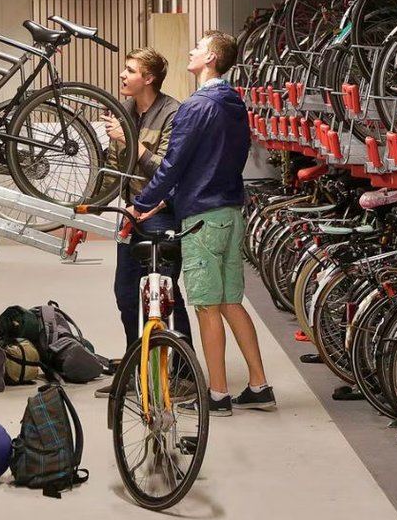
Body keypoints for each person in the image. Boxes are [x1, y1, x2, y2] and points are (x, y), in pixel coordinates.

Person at [126, 30, 272, 417]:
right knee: (230, 302)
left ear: (210, 58)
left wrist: (143, 202)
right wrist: (165, 202)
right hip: (230, 212)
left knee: (206, 306)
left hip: (203, 220)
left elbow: (175, 164)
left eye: (197, 47)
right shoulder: (234, 102)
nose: (190, 51)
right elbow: (210, 162)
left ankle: (218, 394)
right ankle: (260, 386)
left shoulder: (196, 106)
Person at [94, 48, 192, 397]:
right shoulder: (124, 112)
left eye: (130, 70)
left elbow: (165, 170)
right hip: (131, 213)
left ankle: (183, 374)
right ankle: (138, 370)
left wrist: (128, 139)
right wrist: (89, 206)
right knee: (125, 295)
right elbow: (112, 168)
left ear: (148, 79)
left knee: (164, 293)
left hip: (161, 213)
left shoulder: (173, 113)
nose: (122, 75)